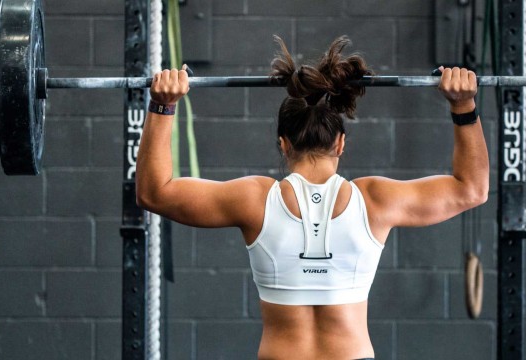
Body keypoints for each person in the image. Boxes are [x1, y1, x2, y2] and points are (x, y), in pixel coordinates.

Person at [136, 36, 489, 360]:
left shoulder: (254, 199)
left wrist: (162, 106)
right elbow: (471, 188)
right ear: (340, 143)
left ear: (283, 143)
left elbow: (154, 192)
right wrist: (464, 105)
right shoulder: (375, 200)